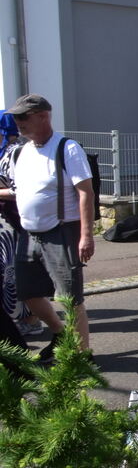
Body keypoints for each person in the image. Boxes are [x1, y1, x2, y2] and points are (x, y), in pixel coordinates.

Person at [5, 94, 94, 355]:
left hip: (61, 231)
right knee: (27, 292)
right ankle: (59, 332)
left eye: (23, 117)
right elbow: (21, 190)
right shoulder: (21, 151)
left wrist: (86, 235)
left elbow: (86, 192)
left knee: (70, 298)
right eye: (16, 117)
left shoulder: (67, 148)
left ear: (44, 116)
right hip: (28, 233)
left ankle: (81, 356)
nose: (18, 122)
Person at [0, 112, 34, 340]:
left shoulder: (17, 153)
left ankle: (30, 321)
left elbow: (21, 190)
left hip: (15, 223)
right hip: (6, 224)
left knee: (15, 275)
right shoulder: (5, 152)